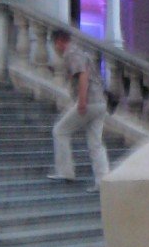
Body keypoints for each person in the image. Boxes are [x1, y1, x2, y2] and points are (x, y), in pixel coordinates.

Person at [47, 28, 110, 187]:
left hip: (89, 102)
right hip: (100, 102)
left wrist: (81, 101)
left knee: (60, 130)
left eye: (55, 44)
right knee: (95, 143)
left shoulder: (71, 53)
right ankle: (104, 182)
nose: (55, 48)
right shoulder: (81, 52)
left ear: (60, 41)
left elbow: (83, 75)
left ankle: (65, 171)